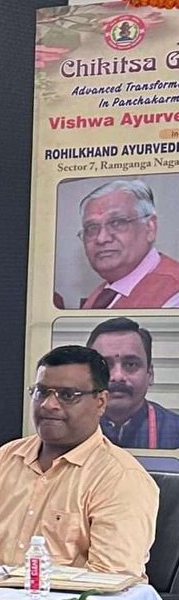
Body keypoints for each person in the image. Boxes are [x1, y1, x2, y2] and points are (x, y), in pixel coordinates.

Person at [0, 345, 158, 578]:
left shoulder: (121, 477)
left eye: (67, 395)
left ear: (101, 402)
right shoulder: (6, 457)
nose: (48, 404)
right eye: (41, 392)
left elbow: (110, 579)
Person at [76, 179, 179, 310]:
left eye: (117, 222)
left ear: (150, 228)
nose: (102, 238)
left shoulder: (173, 292)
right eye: (92, 228)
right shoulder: (102, 293)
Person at [87, 316, 179, 449]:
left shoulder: (175, 431)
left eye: (131, 364)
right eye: (104, 365)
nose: (117, 376)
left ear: (150, 374)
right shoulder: (67, 429)